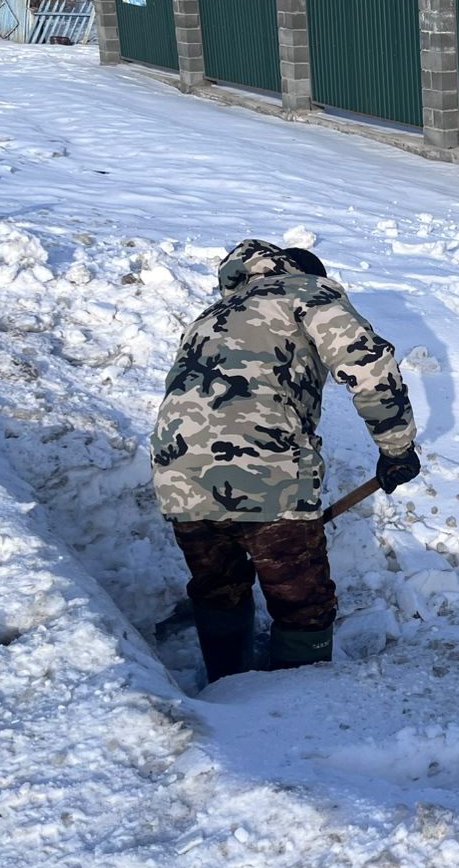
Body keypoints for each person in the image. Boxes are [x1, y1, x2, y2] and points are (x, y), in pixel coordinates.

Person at [151, 239, 421, 684]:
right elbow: (368, 366)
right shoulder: (307, 291)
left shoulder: (208, 317)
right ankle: (295, 706)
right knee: (302, 602)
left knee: (219, 589)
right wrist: (397, 449)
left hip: (178, 473)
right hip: (266, 467)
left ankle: (225, 687)